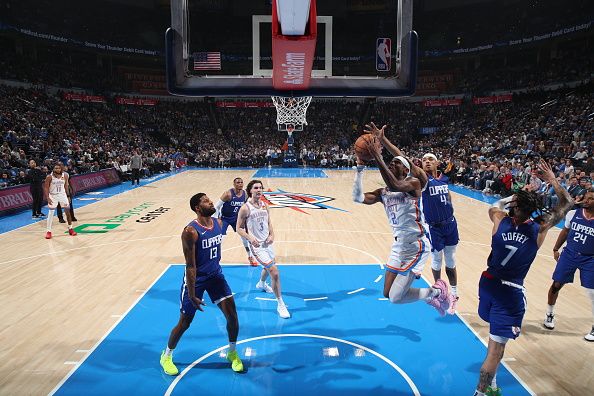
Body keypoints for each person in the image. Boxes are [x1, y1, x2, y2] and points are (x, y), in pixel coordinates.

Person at [473, 160, 572, 396]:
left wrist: (513, 198)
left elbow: (495, 205)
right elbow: (567, 202)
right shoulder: (540, 227)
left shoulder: (499, 219)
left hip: (487, 283)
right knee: (496, 349)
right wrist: (552, 180)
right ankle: (480, 392)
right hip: (510, 292)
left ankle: (493, 384)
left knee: (497, 338)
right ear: (533, 210)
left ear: (514, 206)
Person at [352, 124, 452, 316]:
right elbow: (358, 198)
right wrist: (359, 169)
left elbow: (396, 183)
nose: (392, 163)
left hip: (416, 246)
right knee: (388, 294)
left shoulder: (414, 184)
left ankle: (438, 292)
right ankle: (433, 294)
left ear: (406, 169)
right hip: (398, 246)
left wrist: (378, 155)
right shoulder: (383, 193)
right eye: (391, 162)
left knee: (397, 297)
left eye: (397, 163)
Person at [160, 193, 243, 376]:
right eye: (206, 201)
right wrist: (191, 294)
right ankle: (166, 355)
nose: (211, 201)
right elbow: (190, 266)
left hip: (215, 276)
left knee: (233, 316)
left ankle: (232, 352)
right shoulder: (190, 231)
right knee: (185, 322)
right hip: (195, 280)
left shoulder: (219, 224)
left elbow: (239, 220)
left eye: (210, 199)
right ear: (197, 208)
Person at [543, 188, 594, 341]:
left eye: (590, 198)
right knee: (556, 285)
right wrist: (555, 248)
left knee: (592, 293)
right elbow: (565, 232)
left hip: (590, 258)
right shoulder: (573, 214)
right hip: (570, 254)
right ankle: (549, 314)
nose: (585, 200)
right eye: (585, 197)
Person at [236, 180, 290, 319]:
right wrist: (250, 238)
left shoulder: (265, 205)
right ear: (250, 191)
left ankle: (261, 284)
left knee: (268, 267)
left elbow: (268, 222)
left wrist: (272, 234)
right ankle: (280, 304)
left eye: (261, 188)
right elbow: (239, 228)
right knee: (274, 272)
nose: (259, 190)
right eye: (256, 188)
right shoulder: (245, 208)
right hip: (257, 246)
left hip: (268, 243)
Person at [422, 153, 460, 314]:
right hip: (434, 228)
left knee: (451, 260)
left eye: (430, 159)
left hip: (450, 224)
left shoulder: (444, 179)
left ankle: (454, 294)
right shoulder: (422, 180)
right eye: (424, 160)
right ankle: (440, 292)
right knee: (437, 259)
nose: (427, 162)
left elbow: (448, 197)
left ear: (437, 162)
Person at [214, 177, 256, 266]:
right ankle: (215, 259)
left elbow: (245, 206)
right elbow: (216, 206)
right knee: (220, 239)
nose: (240, 184)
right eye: (237, 182)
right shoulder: (227, 194)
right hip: (224, 218)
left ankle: (250, 257)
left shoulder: (245, 194)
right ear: (234, 184)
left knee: (245, 237)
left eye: (241, 182)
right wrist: (216, 219)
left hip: (237, 218)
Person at [44, 163, 77, 239]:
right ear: (53, 169)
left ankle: (70, 228)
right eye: (55, 168)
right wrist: (47, 197)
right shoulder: (49, 177)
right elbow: (46, 188)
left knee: (68, 212)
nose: (57, 169)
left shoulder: (65, 175)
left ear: (61, 169)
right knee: (51, 213)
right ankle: (48, 231)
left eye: (58, 168)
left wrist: (68, 196)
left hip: (62, 195)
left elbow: (66, 186)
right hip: (53, 195)